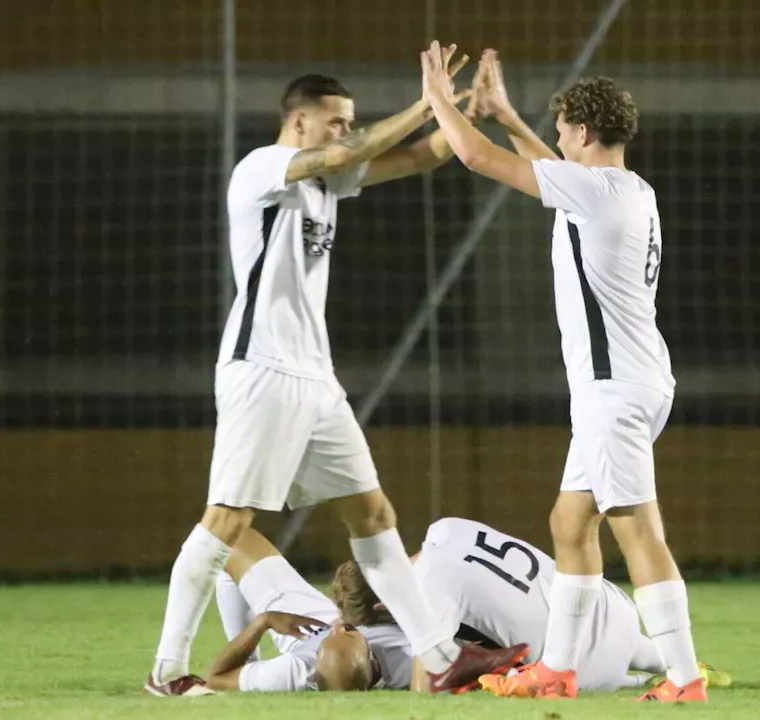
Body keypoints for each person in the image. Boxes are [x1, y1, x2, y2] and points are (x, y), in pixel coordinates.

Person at [144, 46, 527, 697]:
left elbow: (426, 155)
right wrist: (426, 99)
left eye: (350, 120)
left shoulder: (326, 183)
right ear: (299, 123)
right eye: (336, 120)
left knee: (373, 514)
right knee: (227, 521)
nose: (346, 130)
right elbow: (347, 155)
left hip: (315, 380)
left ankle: (438, 655)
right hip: (262, 370)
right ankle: (166, 672)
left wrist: (467, 107)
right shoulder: (264, 168)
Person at [416, 45, 706, 702]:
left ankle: (685, 678)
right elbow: (549, 169)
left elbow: (477, 158)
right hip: (633, 383)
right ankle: (560, 670)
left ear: (582, 131)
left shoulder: (595, 189)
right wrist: (508, 114)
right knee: (570, 525)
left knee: (637, 531)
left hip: (615, 393)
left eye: (560, 129)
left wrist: (438, 95)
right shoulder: (629, 189)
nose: (555, 139)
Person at [331, 517, 730, 694]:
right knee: (631, 645)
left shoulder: (429, 595)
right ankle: (678, 667)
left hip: (580, 665)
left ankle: (641, 679)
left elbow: (425, 688)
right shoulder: (446, 528)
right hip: (610, 604)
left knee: (496, 671)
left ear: (386, 605)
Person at [205, 533, 411, 693]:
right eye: (347, 630)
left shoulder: (296, 671)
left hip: (305, 630)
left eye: (341, 631)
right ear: (372, 659)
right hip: (374, 617)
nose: (338, 627)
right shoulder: (408, 662)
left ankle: (248, 665)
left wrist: (262, 622)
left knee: (231, 541)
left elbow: (217, 678)